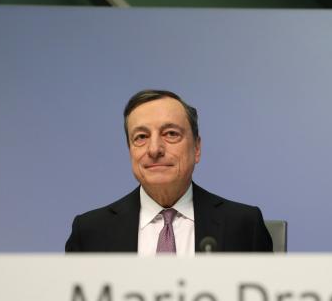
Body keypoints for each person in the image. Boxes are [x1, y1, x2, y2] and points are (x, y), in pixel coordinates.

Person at [66, 89, 273, 253]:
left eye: (171, 134)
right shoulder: (90, 232)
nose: (154, 149)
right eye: (141, 137)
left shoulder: (244, 226)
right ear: (130, 150)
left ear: (197, 148)